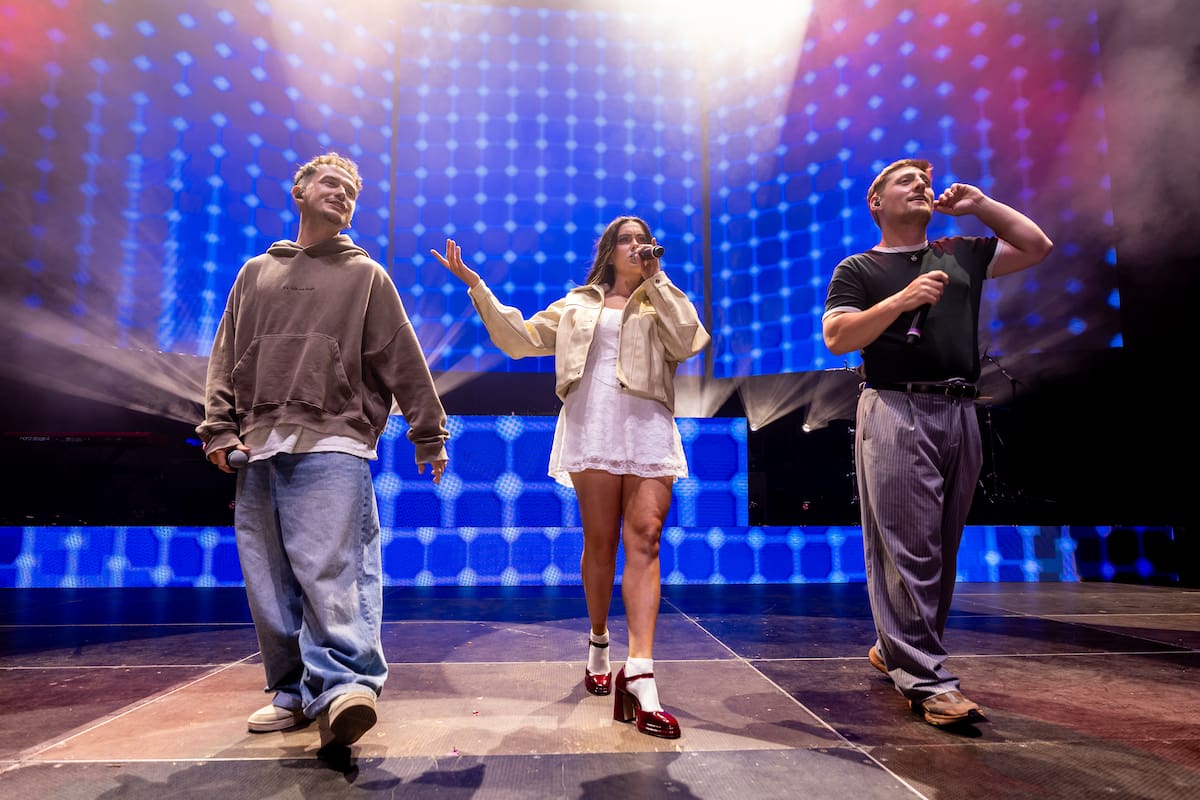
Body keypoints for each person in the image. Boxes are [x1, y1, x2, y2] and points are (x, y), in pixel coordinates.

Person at [196, 152, 449, 748]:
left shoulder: (366, 276)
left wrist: (429, 433)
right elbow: (225, 356)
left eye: (351, 191)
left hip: (334, 438)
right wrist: (219, 429)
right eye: (331, 183)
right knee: (269, 576)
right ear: (300, 191)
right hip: (259, 443)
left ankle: (345, 689)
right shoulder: (255, 272)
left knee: (333, 568)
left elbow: (401, 356)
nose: (342, 194)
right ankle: (291, 690)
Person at [432, 217, 709, 739]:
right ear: (609, 251)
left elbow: (690, 339)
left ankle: (641, 675)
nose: (636, 246)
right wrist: (476, 286)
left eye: (643, 239)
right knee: (601, 543)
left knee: (646, 538)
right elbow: (519, 339)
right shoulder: (578, 304)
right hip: (593, 421)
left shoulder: (661, 299)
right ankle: (599, 641)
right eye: (625, 239)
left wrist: (659, 280)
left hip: (648, 422)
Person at [822, 158, 1053, 728]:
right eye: (906, 180)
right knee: (909, 547)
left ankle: (896, 649)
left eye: (925, 180)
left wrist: (981, 206)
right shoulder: (860, 267)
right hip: (896, 405)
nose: (922, 185)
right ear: (876, 202)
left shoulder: (960, 252)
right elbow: (837, 337)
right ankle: (928, 680)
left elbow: (1036, 245)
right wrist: (900, 301)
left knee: (942, 547)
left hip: (960, 408)